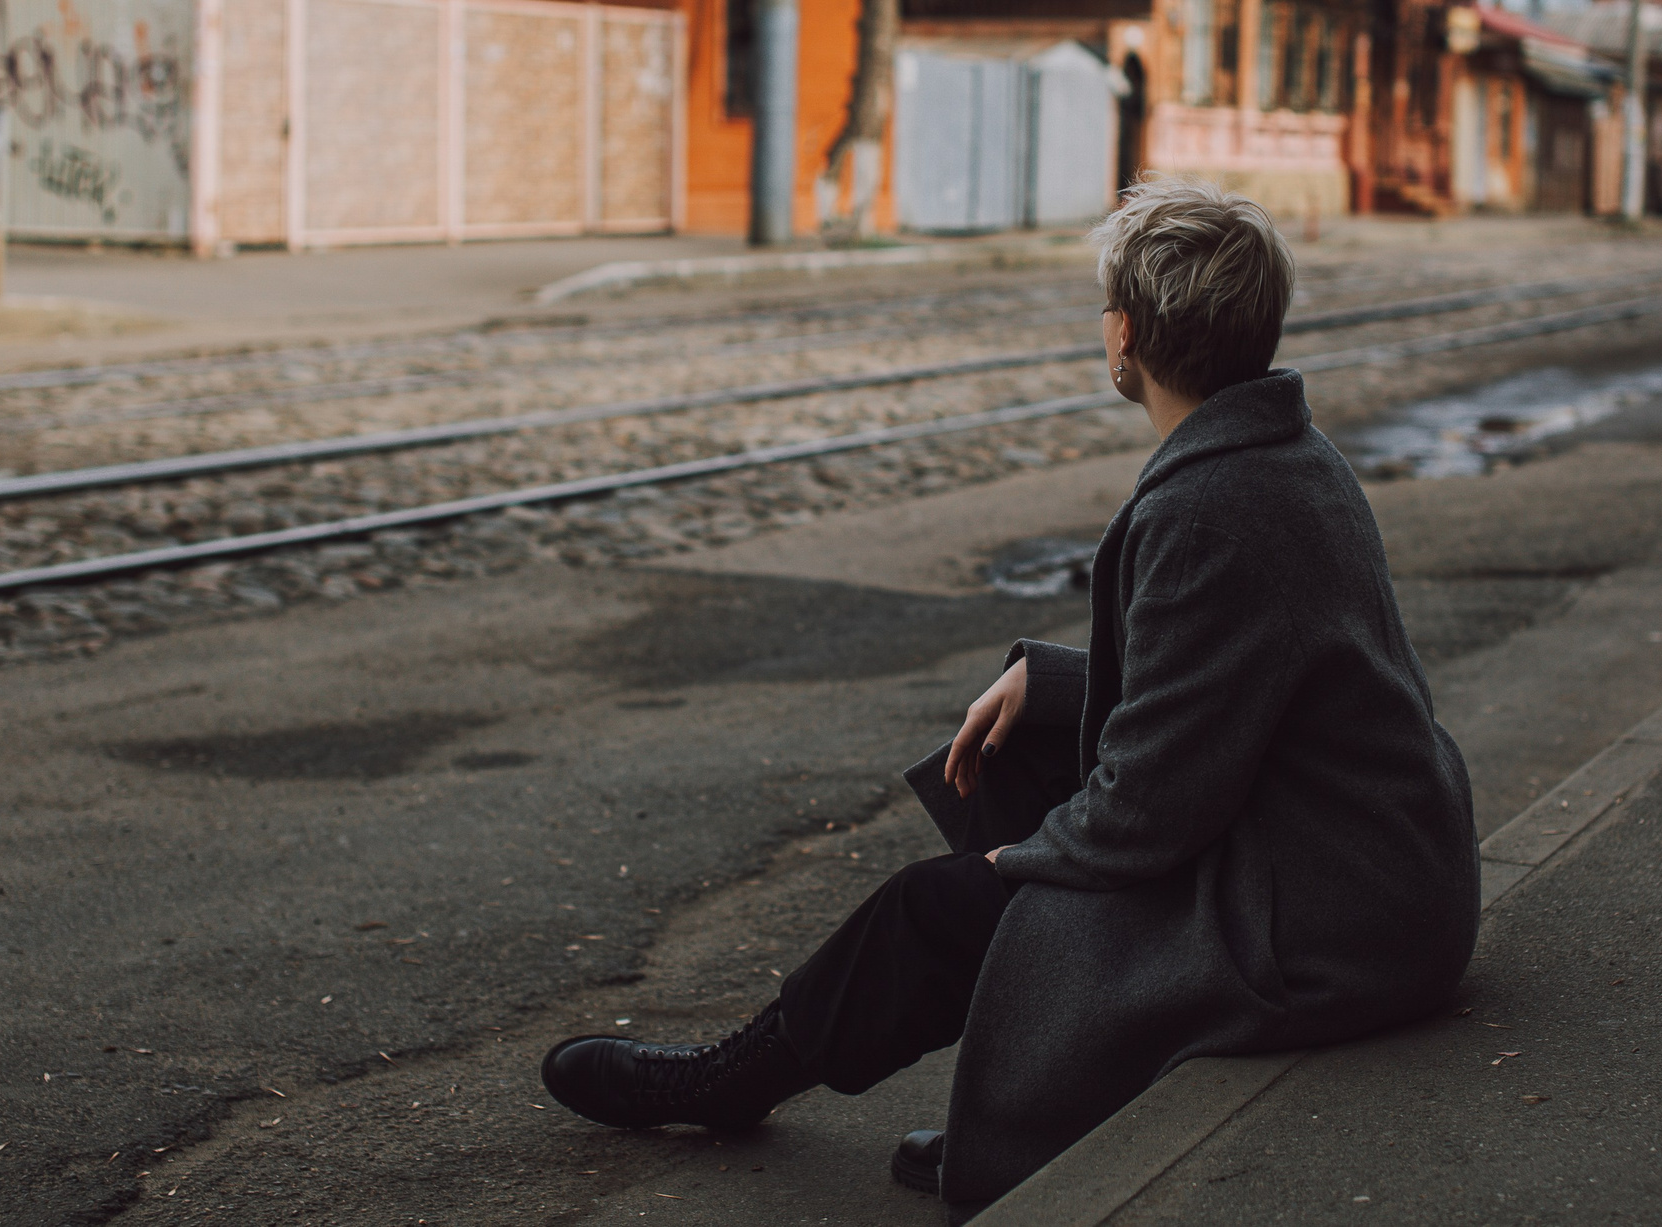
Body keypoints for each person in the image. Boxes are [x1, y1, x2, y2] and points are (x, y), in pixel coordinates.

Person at [542, 177, 1479, 1220]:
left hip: (1328, 926)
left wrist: (1015, 868)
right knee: (1021, 746)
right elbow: (1255, 681)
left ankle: (729, 1083)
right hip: (1371, 868)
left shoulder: (1212, 508)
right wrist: (1057, 681)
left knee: (934, 910)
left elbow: (1149, 812)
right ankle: (1037, 1074)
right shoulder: (1283, 454)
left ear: (1125, 336)